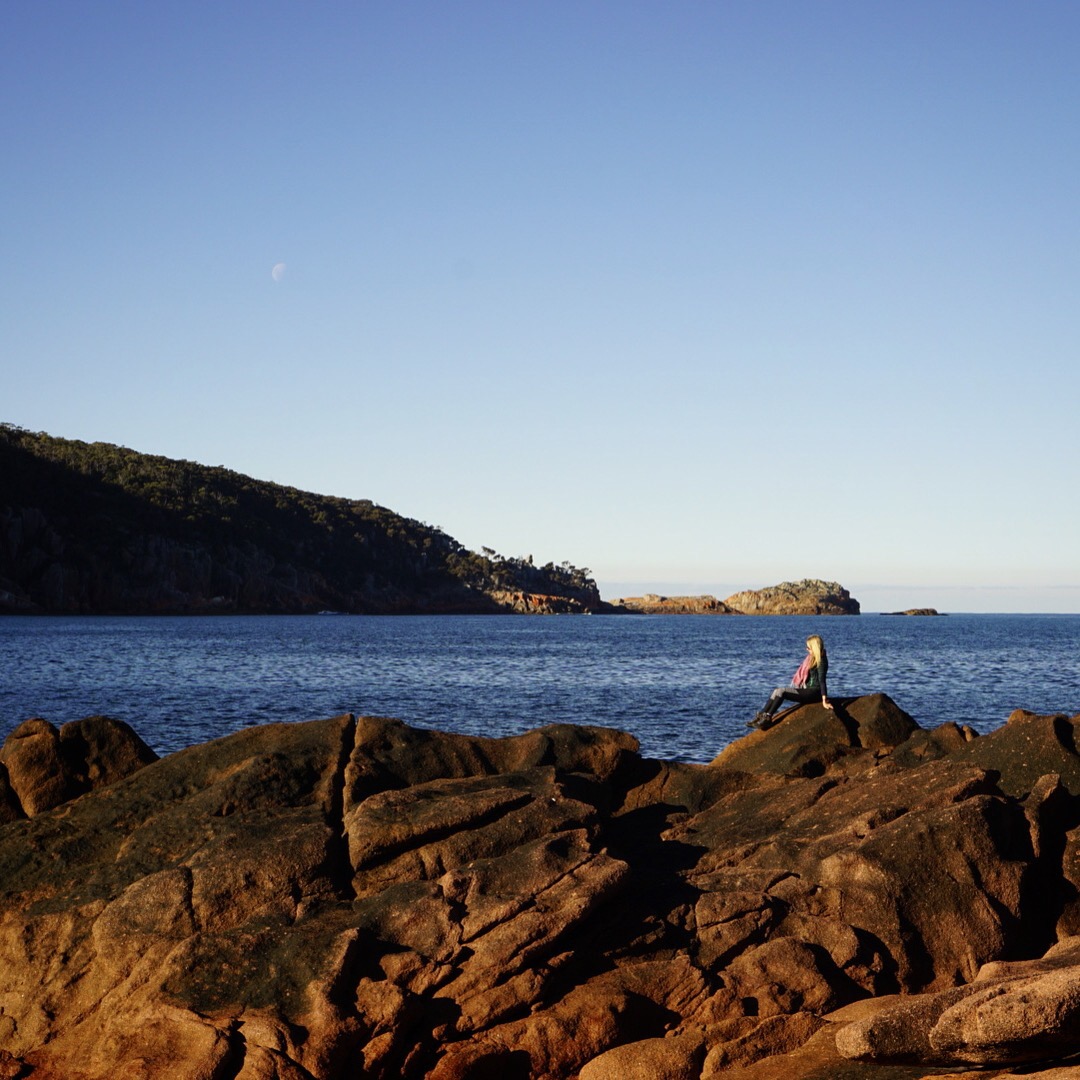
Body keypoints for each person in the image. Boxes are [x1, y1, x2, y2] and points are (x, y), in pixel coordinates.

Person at [749, 634, 834, 728]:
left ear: (814, 648)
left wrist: (824, 700)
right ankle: (762, 714)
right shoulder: (811, 658)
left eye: (808, 648)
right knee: (776, 691)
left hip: (814, 692)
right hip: (807, 690)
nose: (806, 649)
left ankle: (768, 717)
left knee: (782, 692)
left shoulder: (821, 661)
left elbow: (822, 681)